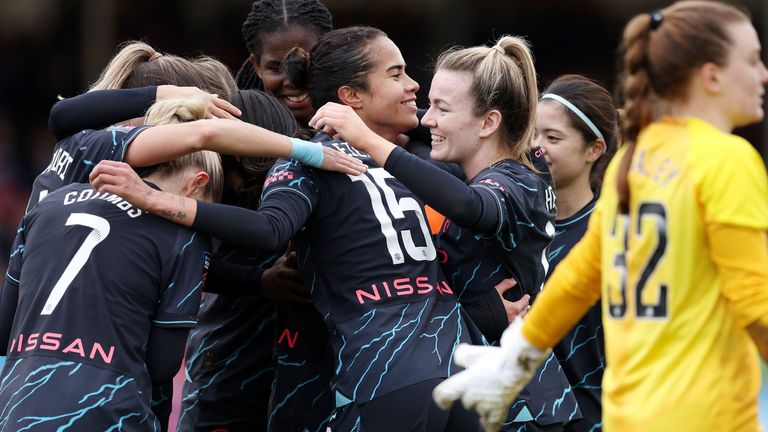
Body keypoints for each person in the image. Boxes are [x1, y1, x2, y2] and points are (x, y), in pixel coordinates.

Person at [90, 26, 478, 432]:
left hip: (382, 378)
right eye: (396, 74)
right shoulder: (429, 167)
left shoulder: (308, 163)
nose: (414, 84)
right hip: (462, 368)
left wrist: (159, 200)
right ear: (350, 95)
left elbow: (270, 229)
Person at [432, 2, 768, 431]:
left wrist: (516, 359)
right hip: (707, 415)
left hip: (628, 415)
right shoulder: (727, 158)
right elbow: (755, 305)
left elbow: (577, 279)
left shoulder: (635, 156)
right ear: (711, 75)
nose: (763, 74)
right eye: (753, 60)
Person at [310, 35, 579, 431]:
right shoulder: (491, 162)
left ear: (489, 121)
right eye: (428, 104)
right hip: (479, 390)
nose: (426, 118)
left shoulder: (519, 180)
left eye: (440, 107)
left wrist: (365, 136)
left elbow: (472, 208)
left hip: (524, 405)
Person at [0, 99, 223, 430]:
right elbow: (163, 365)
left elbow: (6, 323)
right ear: (198, 182)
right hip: (110, 412)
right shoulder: (184, 236)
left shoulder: (48, 206)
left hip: (19, 406)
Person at [534, 74, 619, 432]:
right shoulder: (516, 226)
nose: (537, 148)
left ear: (594, 150)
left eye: (552, 138)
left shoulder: (610, 233)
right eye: (532, 135)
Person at [235, 0, 333, 125]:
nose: (292, 81)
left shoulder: (361, 124)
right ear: (257, 66)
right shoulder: (236, 131)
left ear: (328, 55)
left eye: (305, 62)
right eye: (275, 68)